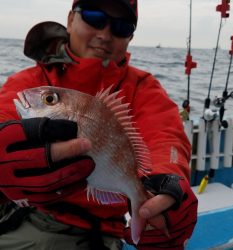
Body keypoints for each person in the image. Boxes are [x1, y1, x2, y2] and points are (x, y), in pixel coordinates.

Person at [0, 0, 198, 249]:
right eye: (94, 17)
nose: (105, 35)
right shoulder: (32, 82)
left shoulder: (143, 87)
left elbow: (166, 138)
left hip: (101, 232)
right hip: (27, 216)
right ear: (71, 20)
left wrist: (165, 182)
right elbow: (4, 113)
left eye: (121, 26)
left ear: (130, 37)